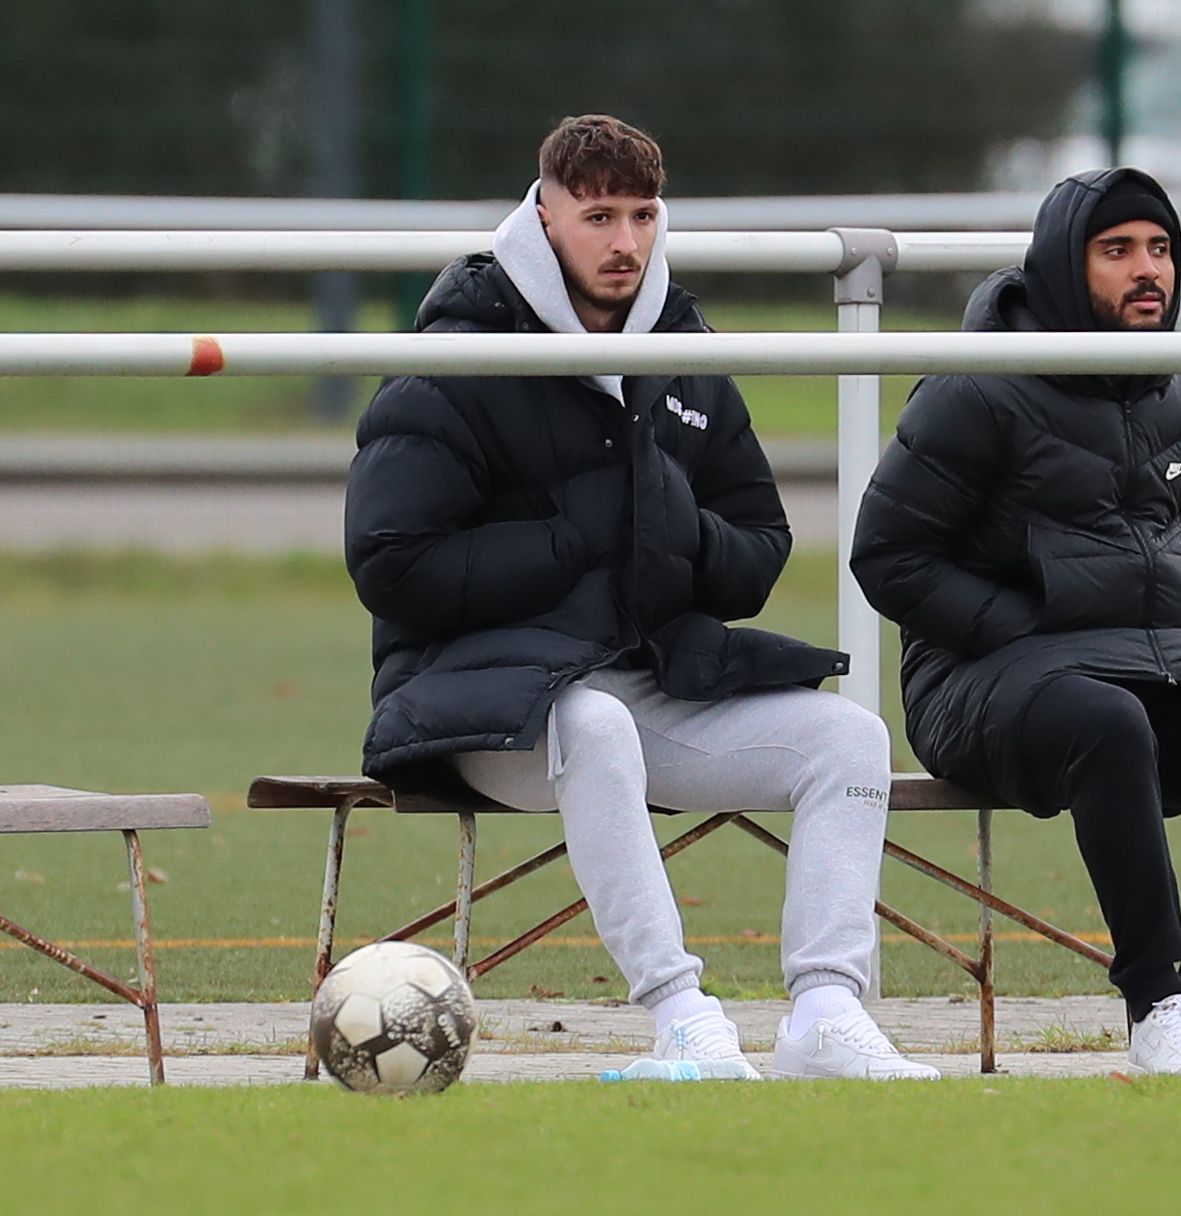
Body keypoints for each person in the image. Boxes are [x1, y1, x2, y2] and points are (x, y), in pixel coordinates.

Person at [344, 114, 937, 1082]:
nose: (625, 242)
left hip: (647, 684)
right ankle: (680, 1017)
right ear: (544, 215)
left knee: (850, 738)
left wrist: (667, 526)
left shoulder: (683, 345)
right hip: (484, 707)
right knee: (597, 728)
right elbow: (391, 565)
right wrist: (580, 532)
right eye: (598, 216)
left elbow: (759, 552)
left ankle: (826, 1013)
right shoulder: (454, 357)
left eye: (643, 214)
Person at [850, 168, 1181, 1076]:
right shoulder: (978, 388)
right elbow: (888, 556)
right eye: (1117, 251)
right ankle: (1154, 1007)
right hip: (980, 680)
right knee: (1105, 720)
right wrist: (1018, 623)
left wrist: (1174, 611)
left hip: (1153, 666)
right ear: (1062, 268)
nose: (1146, 270)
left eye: (1160, 250)